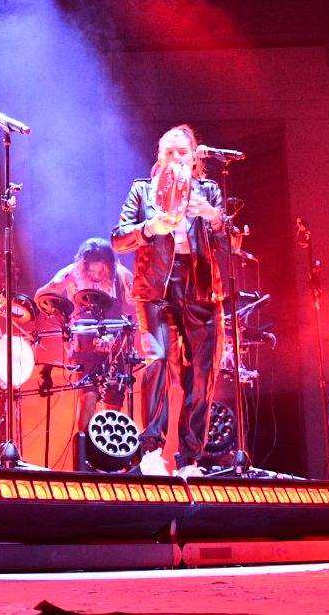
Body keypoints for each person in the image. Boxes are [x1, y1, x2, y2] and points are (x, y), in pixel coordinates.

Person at [112, 124, 232, 477]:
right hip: (155, 287)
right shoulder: (143, 190)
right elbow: (118, 239)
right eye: (169, 152)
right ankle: (151, 450)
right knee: (159, 360)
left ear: (195, 158)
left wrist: (213, 217)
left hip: (201, 288)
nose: (176, 158)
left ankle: (190, 459)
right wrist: (150, 228)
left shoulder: (208, 191)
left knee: (202, 373)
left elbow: (230, 244)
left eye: (182, 152)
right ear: (160, 158)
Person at [36, 237, 138, 460]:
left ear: (109, 265)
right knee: (88, 397)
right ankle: (83, 458)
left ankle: (109, 458)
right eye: (91, 270)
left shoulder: (121, 275)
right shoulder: (71, 274)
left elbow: (138, 299)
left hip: (115, 347)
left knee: (113, 403)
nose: (96, 275)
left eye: (101, 270)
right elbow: (42, 295)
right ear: (84, 265)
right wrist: (58, 314)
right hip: (85, 348)